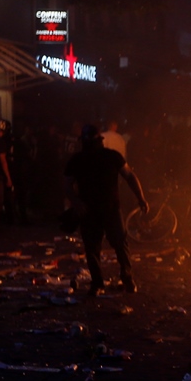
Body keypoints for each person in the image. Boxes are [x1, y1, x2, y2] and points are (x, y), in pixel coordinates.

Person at [64, 124, 148, 296]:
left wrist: (76, 202)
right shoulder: (109, 156)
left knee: (95, 247)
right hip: (105, 208)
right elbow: (130, 176)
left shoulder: (79, 159)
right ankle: (123, 279)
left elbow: (66, 185)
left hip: (96, 209)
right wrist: (141, 198)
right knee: (116, 244)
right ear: (100, 140)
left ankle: (101, 283)